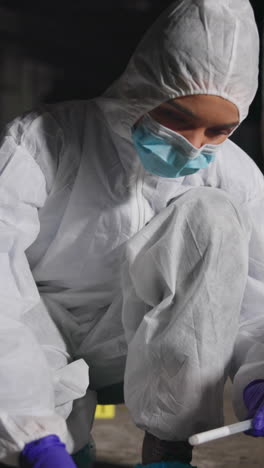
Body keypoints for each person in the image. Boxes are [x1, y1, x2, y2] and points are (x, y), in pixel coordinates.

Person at [0, 0, 263, 467]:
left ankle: (169, 446)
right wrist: (28, 428)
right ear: (142, 86)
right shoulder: (43, 142)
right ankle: (63, 435)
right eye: (179, 119)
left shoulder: (235, 176)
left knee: (215, 216)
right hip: (50, 336)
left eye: (219, 130)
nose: (195, 146)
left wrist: (261, 377)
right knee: (50, 431)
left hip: (152, 344)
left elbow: (253, 297)